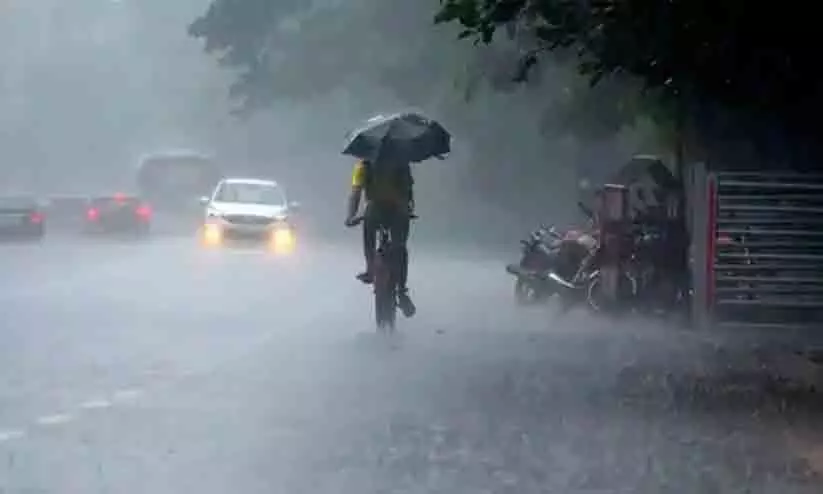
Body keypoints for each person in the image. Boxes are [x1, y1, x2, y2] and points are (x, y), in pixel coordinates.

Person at [344, 156, 416, 317]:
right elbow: (408, 191)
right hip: (398, 211)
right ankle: (402, 291)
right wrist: (408, 208)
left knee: (368, 231)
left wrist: (350, 216)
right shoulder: (401, 162)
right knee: (400, 247)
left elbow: (355, 193)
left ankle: (370, 269)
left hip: (375, 211)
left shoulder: (363, 165)